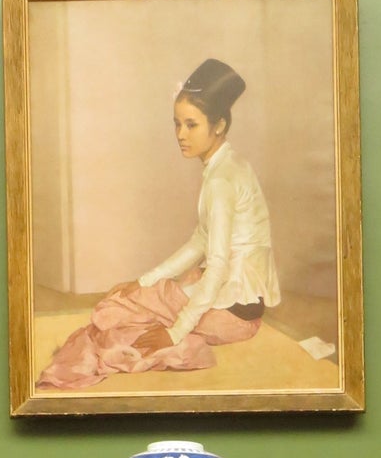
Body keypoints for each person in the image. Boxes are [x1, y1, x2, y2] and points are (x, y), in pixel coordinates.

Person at [36, 58, 281, 389]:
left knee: (113, 311)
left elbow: (219, 264)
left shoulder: (222, 180)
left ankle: (177, 345)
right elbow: (200, 240)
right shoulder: (229, 164)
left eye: (191, 125)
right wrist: (144, 280)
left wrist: (175, 331)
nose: (181, 135)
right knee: (135, 300)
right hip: (241, 308)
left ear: (219, 125)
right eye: (177, 124)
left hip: (233, 316)